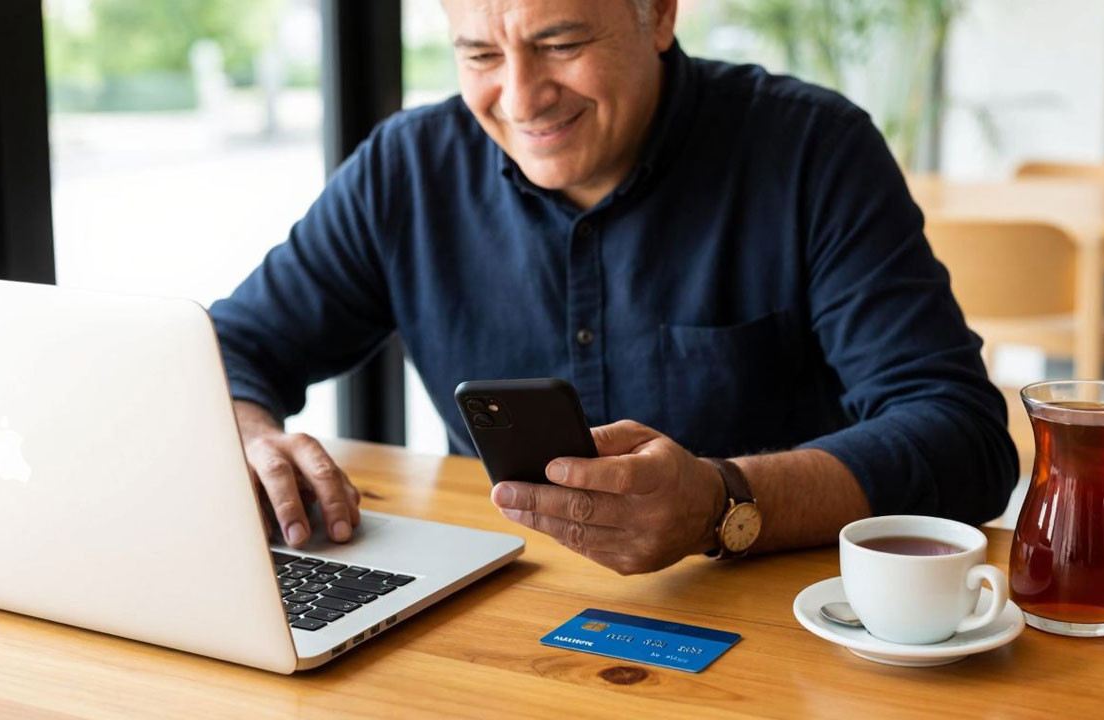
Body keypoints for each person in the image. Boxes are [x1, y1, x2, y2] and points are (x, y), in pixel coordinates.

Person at [208, 0, 1018, 575]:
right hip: (500, 606)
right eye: (481, 55)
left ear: (660, 14)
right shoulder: (406, 171)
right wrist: (247, 436)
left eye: (559, 43)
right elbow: (233, 347)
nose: (520, 98)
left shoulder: (812, 151)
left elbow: (962, 437)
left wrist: (721, 500)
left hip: (771, 626)